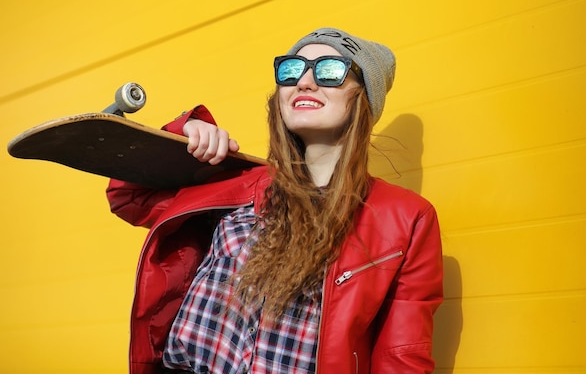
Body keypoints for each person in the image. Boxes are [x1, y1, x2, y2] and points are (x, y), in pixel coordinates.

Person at [107, 27, 443, 374]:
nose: (305, 82)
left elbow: (401, 357)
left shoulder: (406, 218)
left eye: (329, 70)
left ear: (364, 98)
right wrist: (179, 140)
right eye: (292, 70)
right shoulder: (236, 181)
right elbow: (128, 196)